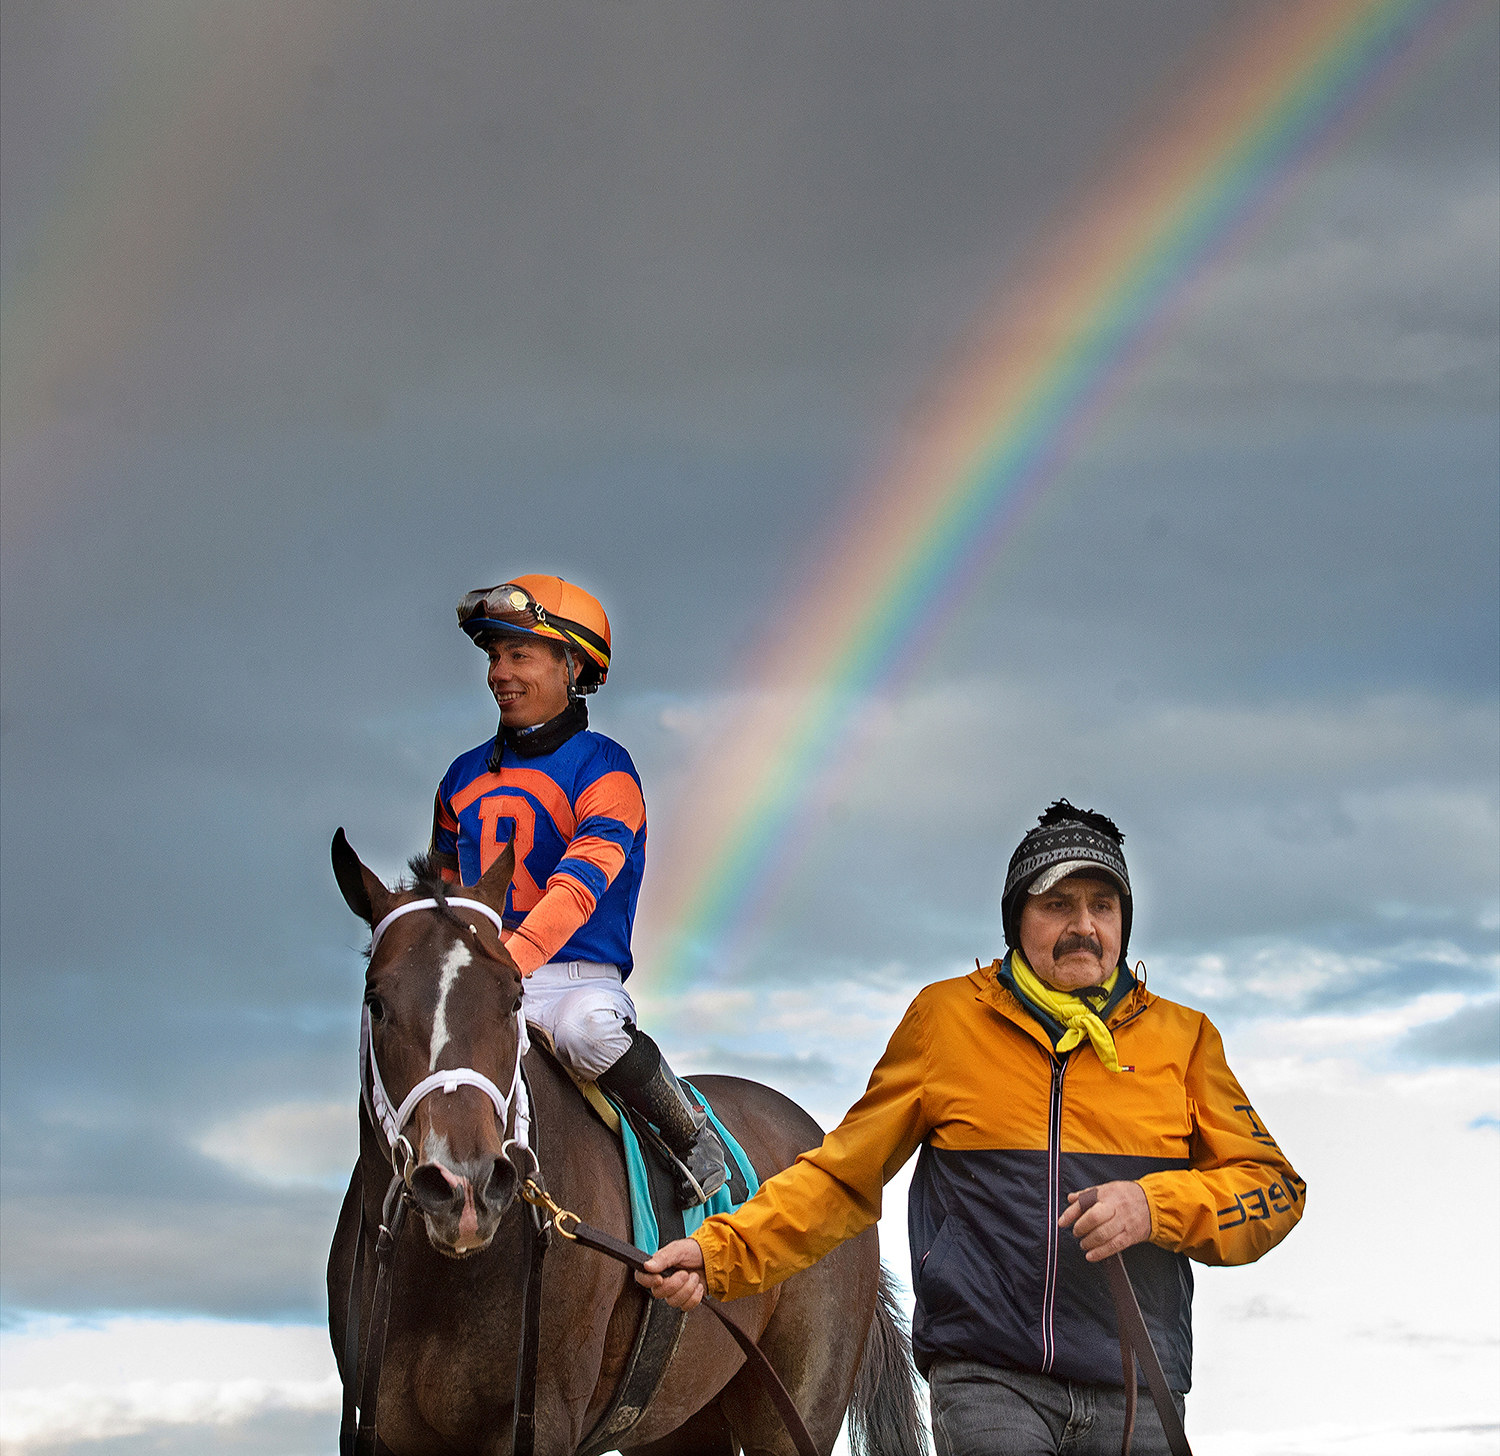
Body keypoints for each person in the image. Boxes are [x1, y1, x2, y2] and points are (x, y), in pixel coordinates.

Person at [637, 801, 1306, 1452]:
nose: (1084, 926)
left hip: (1135, 1386)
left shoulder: (1184, 1040)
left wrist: (1154, 1206)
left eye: (1102, 906)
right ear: (1018, 920)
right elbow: (842, 1178)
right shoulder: (944, 1022)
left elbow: (1275, 1191)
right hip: (990, 1380)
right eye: (1057, 905)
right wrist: (718, 1252)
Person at [430, 575, 727, 1206]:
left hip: (576, 980)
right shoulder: (460, 775)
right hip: (490, 978)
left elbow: (579, 886)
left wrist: (507, 960)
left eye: (519, 655)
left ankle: (692, 1138)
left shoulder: (606, 768)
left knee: (588, 1035)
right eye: (493, 656)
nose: (498, 673)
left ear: (572, 664)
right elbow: (447, 895)